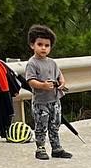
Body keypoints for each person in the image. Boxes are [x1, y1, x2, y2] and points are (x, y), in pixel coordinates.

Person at [21, 24, 72, 161]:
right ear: (32, 45)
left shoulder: (52, 63)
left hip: (55, 100)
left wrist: (62, 83)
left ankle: (56, 148)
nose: (43, 48)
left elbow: (60, 76)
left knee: (55, 124)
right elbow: (30, 81)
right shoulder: (32, 63)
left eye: (47, 45)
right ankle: (40, 148)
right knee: (41, 125)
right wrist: (42, 85)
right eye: (40, 44)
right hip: (41, 102)